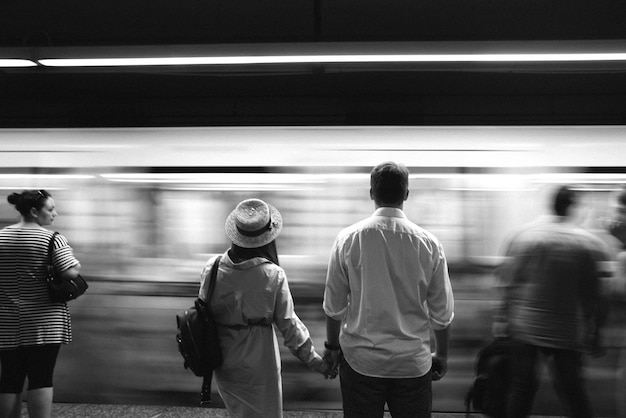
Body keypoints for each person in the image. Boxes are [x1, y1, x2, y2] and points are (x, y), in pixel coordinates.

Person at [322, 161, 455, 418]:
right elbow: (442, 313)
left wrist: (332, 347)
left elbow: (334, 305)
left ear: (372, 193)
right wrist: (443, 355)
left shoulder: (348, 239)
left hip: (361, 362)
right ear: (406, 194)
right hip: (412, 365)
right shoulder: (429, 244)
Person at [198, 198, 329, 418]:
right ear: (267, 239)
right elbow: (290, 327)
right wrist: (316, 361)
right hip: (259, 367)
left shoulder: (212, 268)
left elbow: (204, 312)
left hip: (223, 363)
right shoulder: (273, 275)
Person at [496, 185, 610, 418]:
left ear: (553, 204)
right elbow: (596, 294)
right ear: (573, 207)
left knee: (521, 389)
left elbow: (508, 282)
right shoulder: (587, 243)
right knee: (573, 392)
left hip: (525, 328)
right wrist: (595, 332)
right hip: (566, 331)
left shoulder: (525, 237)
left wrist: (501, 320)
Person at [0, 190, 81, 418]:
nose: (55, 213)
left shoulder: (1, 237)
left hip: (6, 321)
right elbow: (69, 272)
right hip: (43, 323)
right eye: (50, 209)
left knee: (9, 378)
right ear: (35, 212)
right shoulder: (51, 238)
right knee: (41, 377)